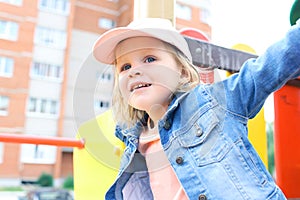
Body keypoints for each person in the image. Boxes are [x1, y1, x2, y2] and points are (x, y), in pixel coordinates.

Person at [92, 17, 300, 199]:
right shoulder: (133, 141)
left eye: (149, 59)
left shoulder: (214, 103)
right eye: (125, 67)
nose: (134, 71)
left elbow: (266, 69)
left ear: (182, 71)